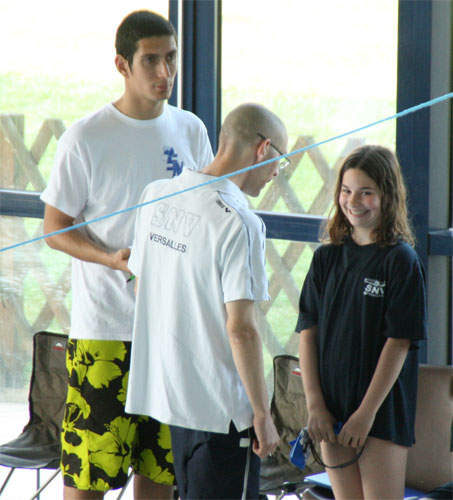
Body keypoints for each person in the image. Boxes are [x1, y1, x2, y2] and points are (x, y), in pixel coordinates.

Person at [40, 9, 213, 500]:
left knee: (161, 474)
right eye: (151, 61)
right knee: (89, 478)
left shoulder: (191, 130)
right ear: (122, 65)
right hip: (105, 334)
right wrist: (111, 258)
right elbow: (54, 229)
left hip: (173, 336)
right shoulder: (85, 137)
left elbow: (207, 213)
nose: (165, 72)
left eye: (171, 58)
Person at [125, 103, 288, 499]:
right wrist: (262, 413)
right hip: (222, 413)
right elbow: (242, 328)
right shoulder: (240, 222)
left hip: (170, 399)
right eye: (280, 162)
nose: (276, 175)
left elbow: (142, 286)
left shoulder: (155, 195)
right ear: (263, 149)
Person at [296, 145, 427, 499]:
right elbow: (308, 333)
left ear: (387, 196)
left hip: (380, 413)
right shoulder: (326, 258)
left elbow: (399, 342)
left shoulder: (400, 261)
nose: (353, 201)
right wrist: (315, 405)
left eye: (366, 192)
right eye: (346, 190)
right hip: (331, 409)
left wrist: (366, 414)